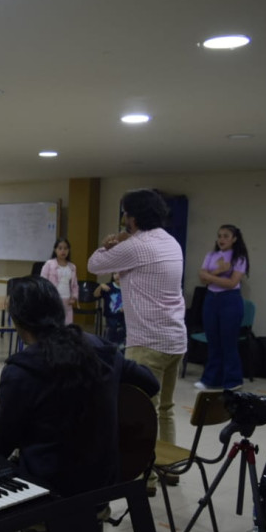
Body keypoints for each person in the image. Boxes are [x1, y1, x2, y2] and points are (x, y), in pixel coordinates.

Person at [0, 276, 158, 532]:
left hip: (51, 494)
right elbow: (150, 384)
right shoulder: (101, 348)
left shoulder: (21, 369)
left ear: (17, 321)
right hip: (102, 485)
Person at [88, 189, 186, 457]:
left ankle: (147, 474)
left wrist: (109, 245)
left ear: (132, 217)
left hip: (147, 343)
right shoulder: (171, 242)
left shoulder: (137, 246)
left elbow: (94, 264)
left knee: (142, 411)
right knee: (165, 408)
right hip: (175, 340)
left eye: (125, 213)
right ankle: (169, 466)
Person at [195, 225, 249, 391]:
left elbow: (231, 283)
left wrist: (210, 276)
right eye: (219, 236)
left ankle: (233, 380)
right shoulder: (211, 255)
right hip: (211, 299)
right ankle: (211, 379)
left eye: (226, 236)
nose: (221, 239)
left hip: (230, 300)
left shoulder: (239, 258)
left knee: (228, 341)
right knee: (213, 341)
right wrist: (219, 271)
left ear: (234, 239)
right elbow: (202, 279)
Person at [40, 237, 78, 324]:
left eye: (65, 248)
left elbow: (75, 285)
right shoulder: (49, 264)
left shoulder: (72, 267)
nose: (63, 251)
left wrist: (74, 297)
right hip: (52, 299)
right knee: (53, 324)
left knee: (67, 325)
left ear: (68, 250)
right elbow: (42, 282)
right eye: (60, 248)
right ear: (55, 250)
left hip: (67, 300)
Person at [94, 272, 125, 347]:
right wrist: (100, 286)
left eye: (120, 273)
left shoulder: (127, 287)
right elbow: (95, 295)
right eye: (115, 273)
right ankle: (108, 345)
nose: (117, 276)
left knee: (123, 332)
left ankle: (120, 346)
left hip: (124, 317)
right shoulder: (108, 286)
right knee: (111, 330)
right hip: (111, 316)